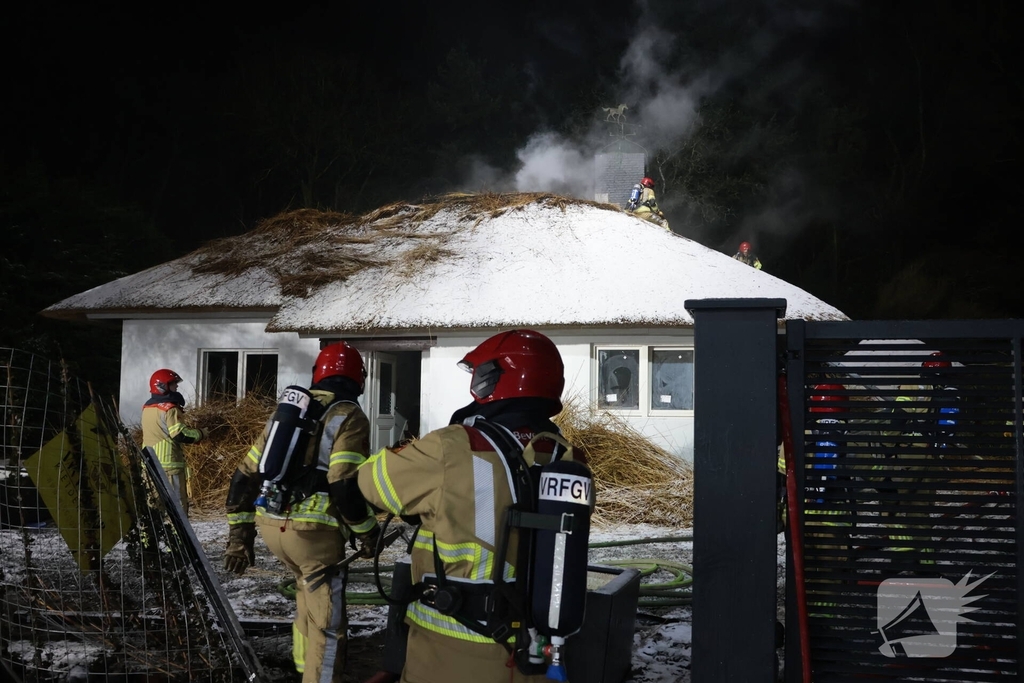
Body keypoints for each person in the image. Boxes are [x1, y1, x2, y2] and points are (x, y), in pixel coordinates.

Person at [357, 329, 580, 683]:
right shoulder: (567, 456)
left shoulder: (453, 446)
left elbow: (370, 484)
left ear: (493, 379)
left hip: (452, 655)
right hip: (538, 655)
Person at [223, 342, 380, 683]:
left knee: (305, 597)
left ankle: (303, 669)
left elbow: (244, 475)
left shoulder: (288, 413)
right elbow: (342, 482)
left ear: (318, 373)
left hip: (272, 526)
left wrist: (239, 536)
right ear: (359, 378)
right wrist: (367, 530)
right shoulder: (349, 415)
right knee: (328, 625)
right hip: (314, 536)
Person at [141, 369, 205, 516]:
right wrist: (200, 434)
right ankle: (178, 532)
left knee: (153, 510)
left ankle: (153, 532)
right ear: (162, 386)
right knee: (177, 510)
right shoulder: (170, 409)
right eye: (173, 384)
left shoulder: (147, 407)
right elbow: (180, 434)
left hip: (148, 465)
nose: (176, 386)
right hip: (170, 467)